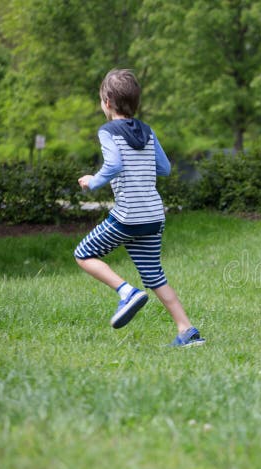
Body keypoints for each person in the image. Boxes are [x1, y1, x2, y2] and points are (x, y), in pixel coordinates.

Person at [74, 69, 205, 345]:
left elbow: (114, 165)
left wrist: (92, 182)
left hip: (128, 216)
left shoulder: (107, 131)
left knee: (83, 253)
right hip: (153, 216)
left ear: (107, 102)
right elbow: (165, 168)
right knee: (155, 275)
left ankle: (126, 292)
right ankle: (187, 331)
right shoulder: (147, 131)